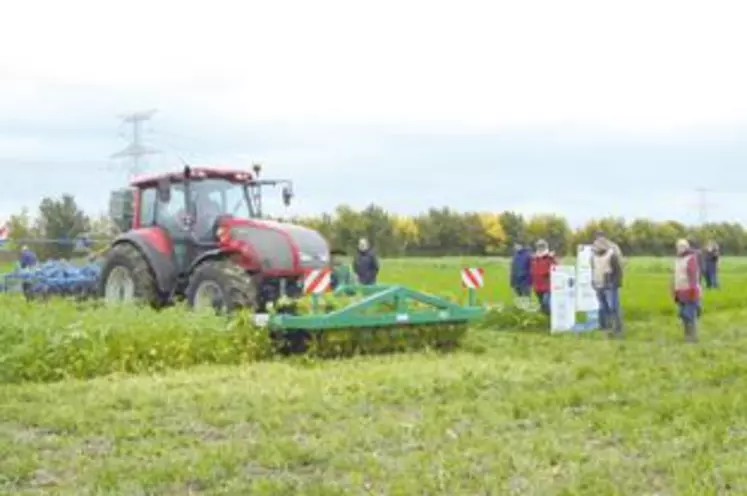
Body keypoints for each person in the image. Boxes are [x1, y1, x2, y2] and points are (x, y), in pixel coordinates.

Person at [590, 237, 623, 337]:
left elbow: (618, 272)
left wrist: (615, 284)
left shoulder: (612, 256)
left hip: (610, 286)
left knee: (613, 307)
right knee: (603, 306)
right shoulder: (593, 257)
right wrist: (593, 281)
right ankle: (605, 326)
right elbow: (593, 270)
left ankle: (617, 328)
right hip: (598, 285)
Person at [672, 239, 701, 343]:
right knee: (683, 315)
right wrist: (674, 291)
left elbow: (693, 277)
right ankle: (687, 336)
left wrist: (693, 292)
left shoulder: (691, 259)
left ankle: (692, 338)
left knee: (688, 314)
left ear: (686, 247)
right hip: (680, 292)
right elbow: (675, 277)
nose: (679, 249)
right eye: (678, 247)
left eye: (681, 247)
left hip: (689, 292)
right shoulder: (677, 260)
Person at [530, 239, 556, 315]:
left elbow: (555, 268)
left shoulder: (549, 257)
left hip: (547, 285)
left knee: (546, 302)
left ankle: (551, 317)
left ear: (545, 247)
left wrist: (547, 273)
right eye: (539, 246)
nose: (540, 248)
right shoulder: (535, 258)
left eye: (542, 246)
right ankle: (544, 317)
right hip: (537, 286)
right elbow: (532, 270)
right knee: (542, 303)